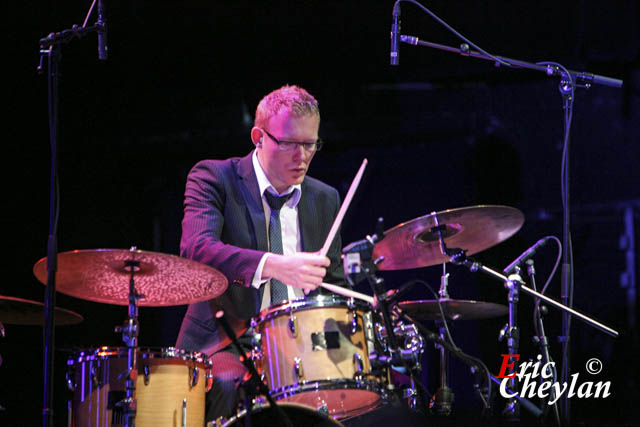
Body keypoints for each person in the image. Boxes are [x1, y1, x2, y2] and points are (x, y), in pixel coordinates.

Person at [175, 85, 346, 423]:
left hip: (302, 346)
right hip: (228, 344)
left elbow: (333, 283)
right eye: (289, 144)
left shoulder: (325, 198)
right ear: (258, 136)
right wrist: (275, 266)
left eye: (310, 144)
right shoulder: (215, 177)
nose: (302, 157)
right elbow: (197, 248)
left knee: (358, 389)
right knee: (227, 384)